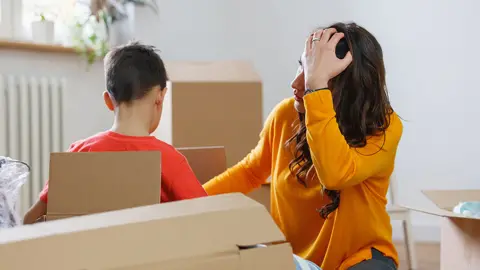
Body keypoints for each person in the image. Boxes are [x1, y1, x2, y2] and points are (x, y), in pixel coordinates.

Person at [203, 22, 402, 270]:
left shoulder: (383, 128)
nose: (296, 83)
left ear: (349, 87)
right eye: (302, 65)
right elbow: (250, 172)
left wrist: (316, 89)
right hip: (295, 261)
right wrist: (191, 200)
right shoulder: (285, 114)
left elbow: (335, 175)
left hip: (359, 259)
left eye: (311, 73)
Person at [23, 42, 207, 224]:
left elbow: (31, 219)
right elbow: (209, 217)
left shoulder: (79, 152)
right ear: (160, 96)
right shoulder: (169, 159)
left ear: (108, 100)